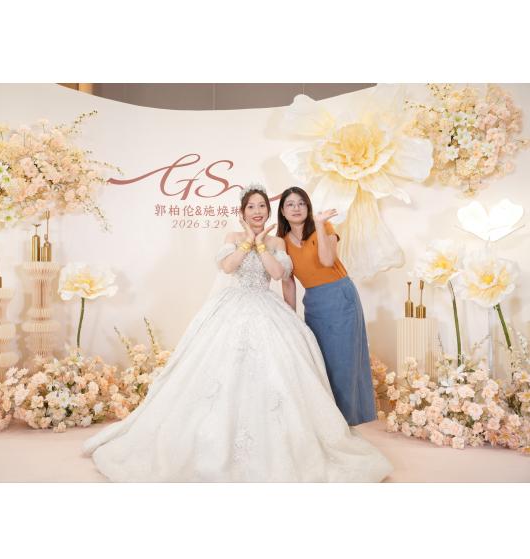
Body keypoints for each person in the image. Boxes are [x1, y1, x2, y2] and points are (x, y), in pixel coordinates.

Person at [82, 183, 392, 482]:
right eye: (251, 207)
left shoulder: (277, 242)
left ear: (269, 211)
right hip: (232, 305)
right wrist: (247, 242)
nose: (257, 211)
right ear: (242, 212)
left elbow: (278, 274)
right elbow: (228, 267)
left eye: (262, 206)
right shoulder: (232, 236)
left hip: (267, 306)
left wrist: (261, 244)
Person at [278, 186, 377, 426]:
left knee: (344, 360)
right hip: (313, 302)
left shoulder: (325, 227)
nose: (296, 208)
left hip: (339, 295)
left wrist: (320, 225)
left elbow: (326, 260)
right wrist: (290, 318)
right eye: (290, 204)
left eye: (301, 203)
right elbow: (288, 283)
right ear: (282, 211)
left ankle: (348, 420)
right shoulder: (282, 242)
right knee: (321, 361)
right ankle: (328, 420)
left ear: (308, 206)